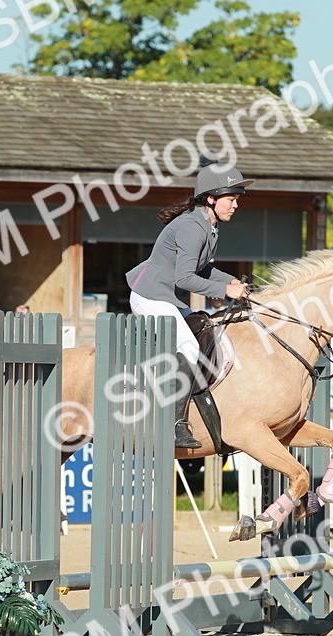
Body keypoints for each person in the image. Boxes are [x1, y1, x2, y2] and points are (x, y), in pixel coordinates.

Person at [125, 154, 251, 448]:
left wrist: (229, 281)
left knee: (205, 329)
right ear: (210, 199)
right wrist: (223, 291)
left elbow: (203, 269)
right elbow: (185, 279)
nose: (236, 204)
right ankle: (176, 424)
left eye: (236, 198)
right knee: (189, 346)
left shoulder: (208, 225)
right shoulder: (193, 226)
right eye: (230, 198)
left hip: (168, 298)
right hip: (151, 296)